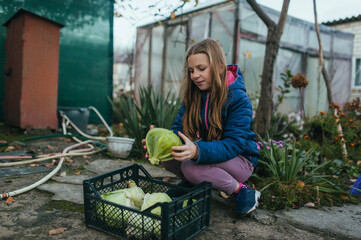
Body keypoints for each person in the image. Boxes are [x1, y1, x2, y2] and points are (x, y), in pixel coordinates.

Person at [145, 38, 260, 215]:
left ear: (220, 67)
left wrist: (198, 151)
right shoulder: (194, 95)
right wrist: (158, 142)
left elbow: (234, 144)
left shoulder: (238, 99)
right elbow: (178, 130)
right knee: (168, 156)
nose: (194, 75)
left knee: (191, 167)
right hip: (212, 154)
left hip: (240, 159)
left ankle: (241, 190)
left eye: (201, 69)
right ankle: (193, 182)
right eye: (191, 70)